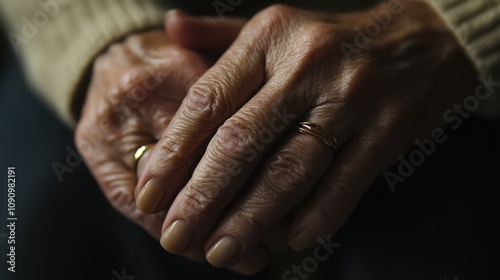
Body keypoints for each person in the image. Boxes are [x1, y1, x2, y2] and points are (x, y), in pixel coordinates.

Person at [1, 0, 499, 277]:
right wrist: (99, 37)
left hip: (456, 89)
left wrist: (454, 30)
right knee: (23, 234)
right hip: (129, 71)